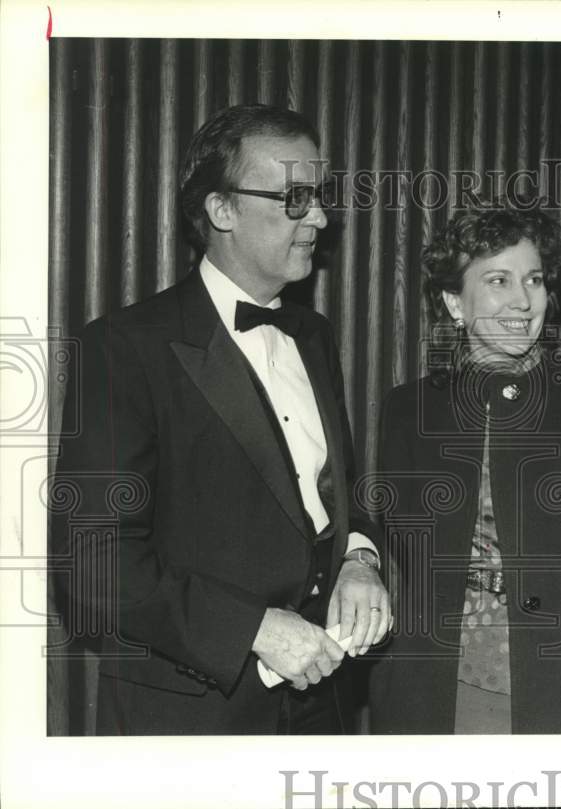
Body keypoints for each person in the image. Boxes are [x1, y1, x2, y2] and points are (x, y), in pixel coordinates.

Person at [51, 104, 390, 735]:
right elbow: (92, 566)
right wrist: (253, 630)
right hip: (191, 719)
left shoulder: (313, 336)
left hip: (322, 711)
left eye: (318, 196)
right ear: (222, 210)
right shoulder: (125, 347)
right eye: (295, 197)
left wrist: (359, 560)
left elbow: (334, 498)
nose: (319, 216)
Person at [366, 200, 561, 734]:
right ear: (453, 303)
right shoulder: (407, 411)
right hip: (436, 700)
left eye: (534, 279)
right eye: (498, 280)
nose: (523, 299)